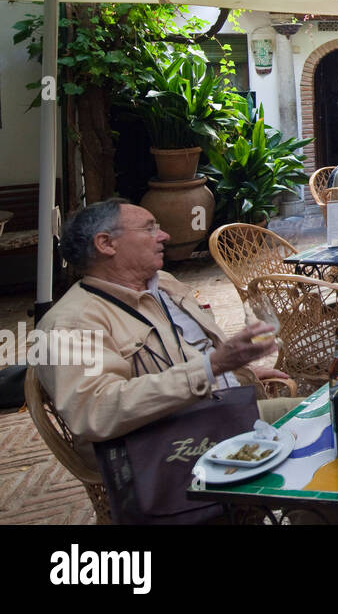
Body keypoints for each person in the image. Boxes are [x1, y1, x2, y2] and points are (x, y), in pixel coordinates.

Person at [35, 200, 294, 474]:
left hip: (221, 411)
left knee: (330, 413)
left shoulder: (164, 284)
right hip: (168, 449)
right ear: (106, 243)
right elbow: (94, 410)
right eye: (149, 229)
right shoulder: (73, 322)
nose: (164, 235)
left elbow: (191, 349)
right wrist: (213, 367)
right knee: (327, 429)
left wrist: (241, 370)